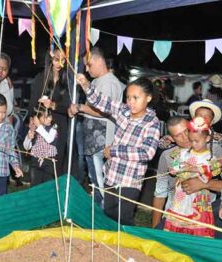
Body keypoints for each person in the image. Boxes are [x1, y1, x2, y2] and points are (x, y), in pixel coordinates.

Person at [77, 75, 160, 225]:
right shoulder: (123, 111)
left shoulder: (152, 123)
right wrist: (86, 85)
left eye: (136, 97)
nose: (131, 102)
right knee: (109, 213)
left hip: (130, 180)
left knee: (124, 218)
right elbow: (101, 101)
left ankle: (127, 246)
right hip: (112, 175)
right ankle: (111, 245)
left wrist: (115, 151)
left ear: (148, 98)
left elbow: (147, 152)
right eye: (128, 97)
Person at [152, 100, 222, 229]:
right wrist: (155, 231)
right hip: (175, 211)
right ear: (171, 138)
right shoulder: (168, 156)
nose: (185, 138)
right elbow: (160, 193)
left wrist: (204, 184)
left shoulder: (215, 150)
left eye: (186, 131)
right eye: (178, 135)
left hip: (206, 212)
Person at [68, 47, 123, 207]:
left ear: (100, 61)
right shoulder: (98, 81)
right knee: (94, 177)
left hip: (102, 138)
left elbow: (105, 111)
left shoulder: (109, 82)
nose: (86, 69)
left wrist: (80, 107)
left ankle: (102, 214)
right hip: (93, 137)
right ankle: (98, 210)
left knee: (101, 179)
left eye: (89, 65)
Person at [163, 116, 220, 237]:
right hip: (180, 196)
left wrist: (195, 169)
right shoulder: (183, 152)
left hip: (197, 199)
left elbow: (210, 171)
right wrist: (174, 169)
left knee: (196, 226)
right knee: (176, 221)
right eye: (178, 135)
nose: (191, 142)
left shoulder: (210, 157)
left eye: (196, 141)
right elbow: (177, 163)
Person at [28, 48, 71, 176]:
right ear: (50, 59)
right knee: (38, 165)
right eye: (56, 59)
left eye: (63, 60)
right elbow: (32, 105)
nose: (59, 63)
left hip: (58, 127)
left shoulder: (68, 81)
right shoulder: (41, 78)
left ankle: (53, 194)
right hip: (40, 125)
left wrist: (53, 105)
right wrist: (31, 122)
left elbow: (69, 108)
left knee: (54, 166)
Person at [23, 106, 58, 186]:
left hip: (48, 161)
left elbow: (49, 139)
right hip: (35, 161)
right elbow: (26, 147)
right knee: (35, 184)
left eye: (50, 116)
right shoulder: (34, 128)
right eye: (45, 117)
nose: (49, 118)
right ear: (37, 118)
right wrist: (29, 137)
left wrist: (39, 126)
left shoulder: (53, 128)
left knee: (48, 185)